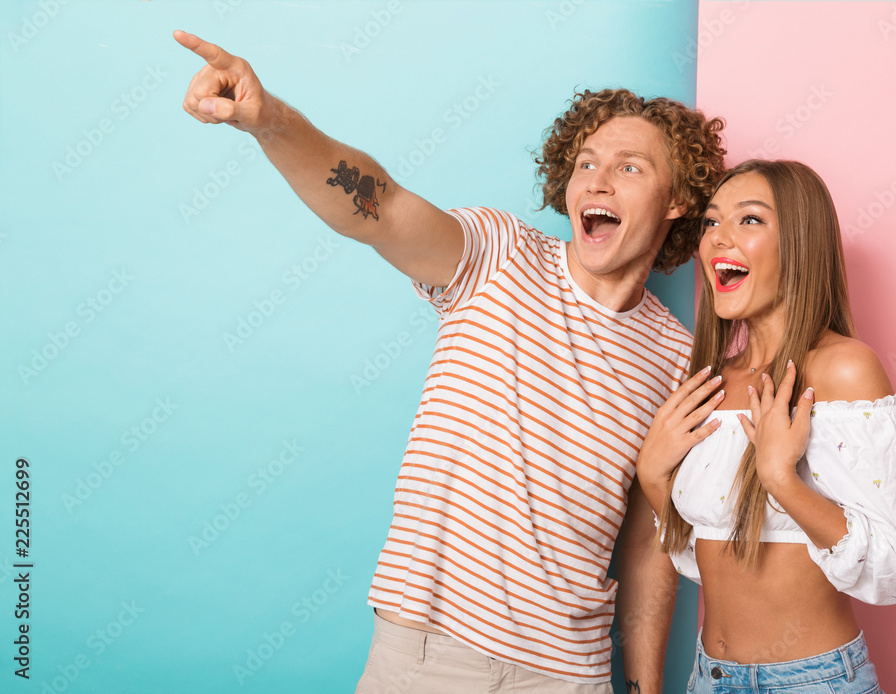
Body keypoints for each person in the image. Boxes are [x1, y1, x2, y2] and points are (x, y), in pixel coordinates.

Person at [174, 30, 727, 692]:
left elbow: (647, 541)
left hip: (571, 676)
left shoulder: (675, 357)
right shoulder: (499, 255)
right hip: (427, 658)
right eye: (586, 163)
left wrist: (642, 686)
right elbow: (375, 206)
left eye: (629, 167)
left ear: (677, 201)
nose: (597, 180)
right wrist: (271, 122)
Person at [636, 159, 896, 693]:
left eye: (749, 220)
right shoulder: (712, 384)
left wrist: (781, 479)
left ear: (799, 242)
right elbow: (713, 565)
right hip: (708, 677)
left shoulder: (842, 369)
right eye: (710, 222)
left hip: (811, 682)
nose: (718, 238)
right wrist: (655, 480)